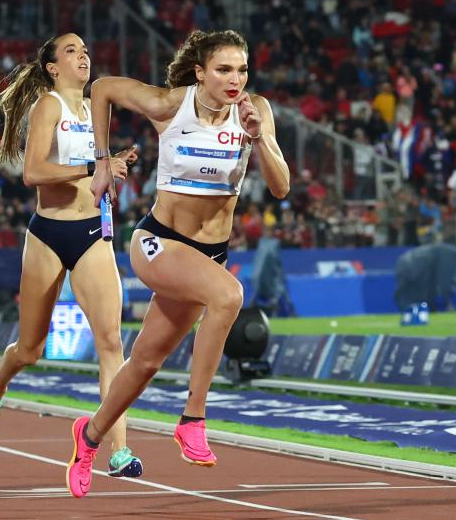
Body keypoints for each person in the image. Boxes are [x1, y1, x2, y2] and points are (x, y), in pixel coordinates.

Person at [66, 29, 290, 498]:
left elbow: (281, 187)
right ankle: (193, 418)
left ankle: (88, 438)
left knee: (145, 362)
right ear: (200, 73)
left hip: (206, 256)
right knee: (229, 295)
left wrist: (259, 138)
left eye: (242, 70)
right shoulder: (171, 105)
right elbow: (102, 88)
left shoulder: (256, 111)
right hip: (158, 242)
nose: (235, 80)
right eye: (224, 70)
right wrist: (102, 160)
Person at [0, 33, 143, 479]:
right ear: (52, 67)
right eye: (71, 51)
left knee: (111, 343)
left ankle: (119, 451)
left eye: (86, 50)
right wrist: (96, 167)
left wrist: (115, 163)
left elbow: (96, 167)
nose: (83, 56)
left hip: (93, 233)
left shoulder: (96, 108)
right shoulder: (48, 106)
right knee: (30, 349)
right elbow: (33, 172)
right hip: (49, 233)